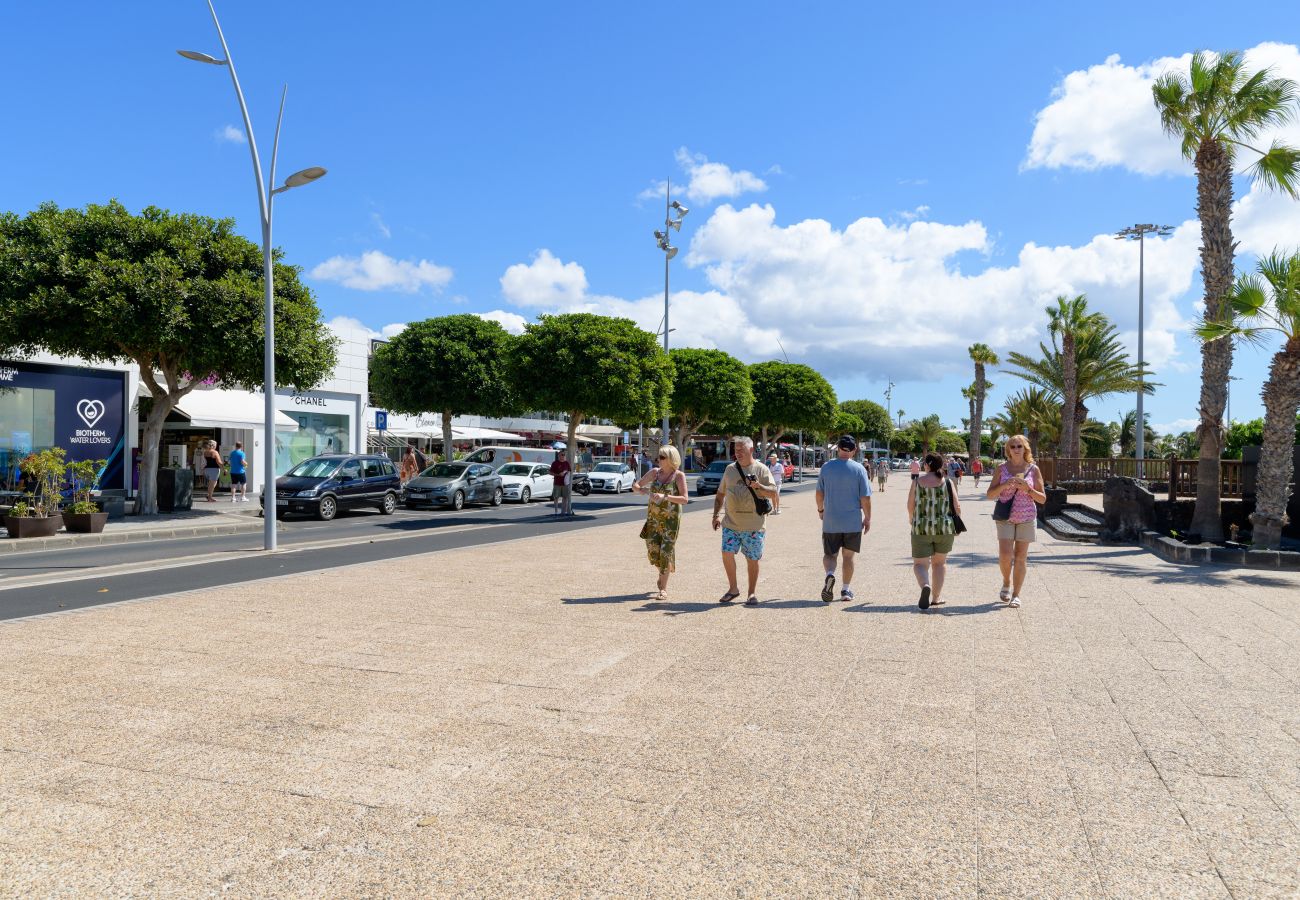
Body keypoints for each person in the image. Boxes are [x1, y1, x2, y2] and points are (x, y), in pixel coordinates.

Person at [712, 436, 778, 607]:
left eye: (741, 449)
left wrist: (759, 487)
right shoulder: (729, 469)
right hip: (731, 524)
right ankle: (733, 589)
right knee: (726, 553)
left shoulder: (762, 469)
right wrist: (715, 515)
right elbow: (720, 494)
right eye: (736, 450)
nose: (737, 453)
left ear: (751, 450)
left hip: (754, 526)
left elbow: (773, 493)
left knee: (752, 560)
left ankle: (752, 593)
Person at [986, 437, 1046, 608]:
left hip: (1027, 517)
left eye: (1019, 446)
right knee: (1005, 555)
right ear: (1008, 450)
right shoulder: (1001, 469)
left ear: (1025, 448)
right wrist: (1004, 485)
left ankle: (1016, 594)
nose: (1016, 449)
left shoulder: (1033, 470)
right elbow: (990, 494)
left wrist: (1028, 489)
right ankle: (1006, 581)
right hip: (1005, 517)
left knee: (1020, 557)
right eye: (1012, 446)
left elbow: (1042, 499)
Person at [816, 435, 873, 603]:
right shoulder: (859, 469)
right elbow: (865, 498)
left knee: (830, 554)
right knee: (848, 557)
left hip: (831, 520)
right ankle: (846, 590)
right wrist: (868, 518)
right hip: (852, 521)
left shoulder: (826, 468)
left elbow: (819, 494)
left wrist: (821, 510)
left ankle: (830, 575)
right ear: (854, 450)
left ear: (838, 448)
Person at [632, 445, 689, 601]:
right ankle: (663, 572)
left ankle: (663, 589)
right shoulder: (655, 473)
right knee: (653, 552)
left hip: (671, 521)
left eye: (663, 457)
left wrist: (665, 497)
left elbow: (685, 499)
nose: (659, 459)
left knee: (665, 552)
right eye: (659, 456)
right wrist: (642, 490)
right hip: (653, 519)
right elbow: (636, 486)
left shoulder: (678, 476)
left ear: (671, 459)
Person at [908, 452, 961, 609]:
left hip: (921, 528)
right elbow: (957, 507)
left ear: (927, 465)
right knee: (939, 564)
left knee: (919, 564)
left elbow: (910, 505)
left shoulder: (917, 482)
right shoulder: (948, 483)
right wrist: (956, 526)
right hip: (944, 528)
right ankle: (936, 598)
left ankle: (925, 585)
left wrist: (912, 519)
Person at [550, 448, 572, 516]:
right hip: (557, 483)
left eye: (563, 455)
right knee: (556, 497)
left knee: (565, 497)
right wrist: (558, 474)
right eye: (561, 455)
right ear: (558, 455)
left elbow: (569, 471)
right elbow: (550, 472)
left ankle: (563, 512)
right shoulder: (555, 463)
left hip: (565, 484)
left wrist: (567, 475)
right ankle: (556, 512)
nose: (562, 456)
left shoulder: (566, 463)